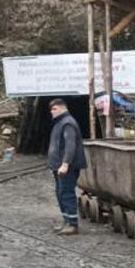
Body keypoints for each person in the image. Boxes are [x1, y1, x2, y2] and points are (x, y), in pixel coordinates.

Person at [48, 98, 87, 236]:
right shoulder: (60, 123)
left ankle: (72, 224)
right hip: (58, 166)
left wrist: (65, 164)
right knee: (60, 193)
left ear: (62, 108)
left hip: (67, 167)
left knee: (67, 193)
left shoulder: (68, 124)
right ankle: (66, 220)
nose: (51, 112)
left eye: (54, 109)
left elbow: (70, 145)